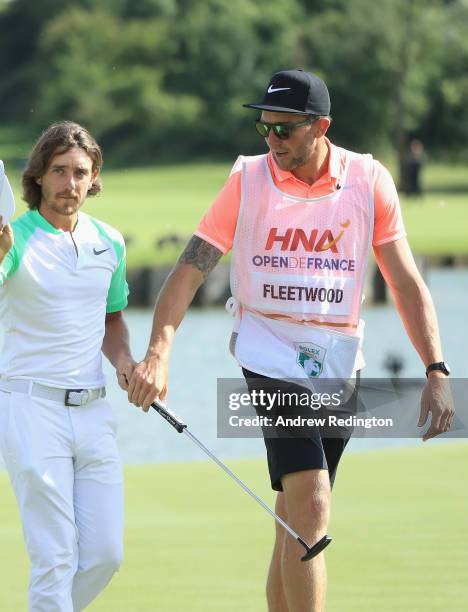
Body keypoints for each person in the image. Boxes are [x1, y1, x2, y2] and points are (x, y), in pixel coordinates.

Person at [126, 70, 454, 612]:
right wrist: (159, 351)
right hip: (267, 352)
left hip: (338, 359)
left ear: (320, 127)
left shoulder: (369, 181)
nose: (272, 140)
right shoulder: (248, 180)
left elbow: (404, 282)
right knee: (313, 505)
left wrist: (436, 370)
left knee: (293, 518)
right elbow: (189, 269)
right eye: (265, 128)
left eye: (285, 130)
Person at [0, 121, 135, 611]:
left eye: (80, 172)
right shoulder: (17, 237)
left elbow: (111, 318)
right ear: (39, 176)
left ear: (94, 177)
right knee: (55, 557)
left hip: (94, 411)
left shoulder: (110, 242)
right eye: (59, 171)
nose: (69, 183)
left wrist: (124, 361)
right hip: (30, 410)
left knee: (103, 555)